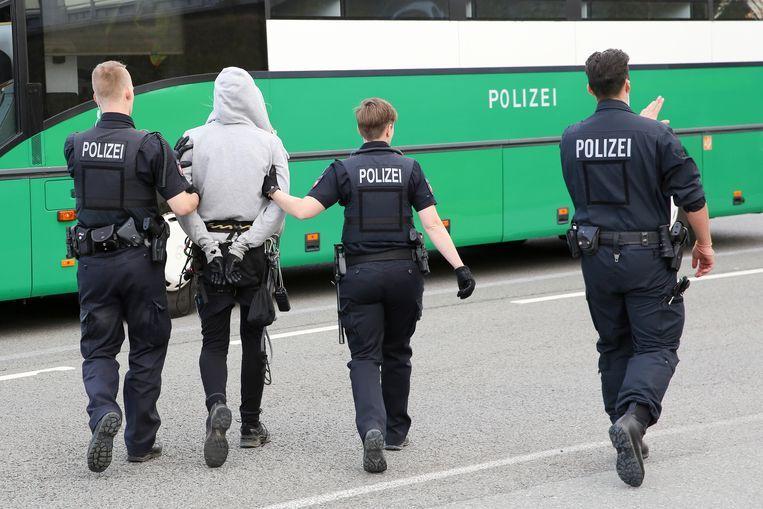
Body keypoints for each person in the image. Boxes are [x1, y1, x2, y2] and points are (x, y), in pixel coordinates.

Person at [261, 97, 476, 473]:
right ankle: (394, 432)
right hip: (404, 276)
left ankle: (371, 429)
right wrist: (459, 267)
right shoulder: (410, 168)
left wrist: (274, 192)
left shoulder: (344, 169)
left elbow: (304, 211)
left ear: (360, 130)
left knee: (364, 357)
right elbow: (432, 225)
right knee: (398, 351)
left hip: (359, 276)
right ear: (390, 128)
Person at [559, 49, 715, 487]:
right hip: (647, 260)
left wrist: (639, 125)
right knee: (657, 345)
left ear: (590, 88)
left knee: (613, 345)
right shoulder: (656, 136)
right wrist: (703, 243)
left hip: (596, 259)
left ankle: (622, 425)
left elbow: (610, 158)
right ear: (628, 81)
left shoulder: (571, 136)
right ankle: (634, 419)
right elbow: (691, 196)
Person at [64, 61, 200, 473]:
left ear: (94, 99)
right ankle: (140, 442)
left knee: (99, 349)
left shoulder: (74, 142)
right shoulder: (150, 144)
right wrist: (191, 189)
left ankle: (103, 410)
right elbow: (181, 205)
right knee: (146, 348)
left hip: (94, 266)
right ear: (130, 93)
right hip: (140, 264)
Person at [176, 67, 290, 468]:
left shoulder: (192, 139)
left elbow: (182, 203)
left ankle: (216, 406)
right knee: (254, 338)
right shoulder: (270, 143)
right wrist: (243, 245)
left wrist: (209, 245)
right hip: (252, 255)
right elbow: (278, 207)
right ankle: (250, 427)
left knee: (213, 342)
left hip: (210, 257)